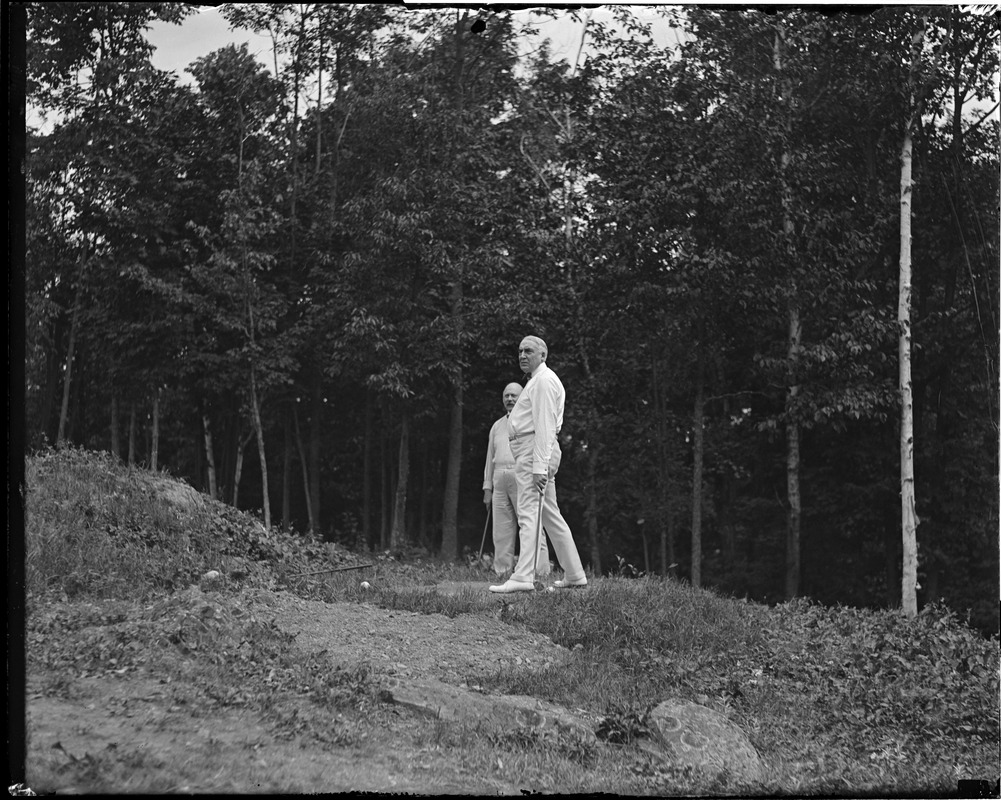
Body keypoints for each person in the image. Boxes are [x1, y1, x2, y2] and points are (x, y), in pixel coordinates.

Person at [490, 336, 587, 593]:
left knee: (528, 512)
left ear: (542, 355)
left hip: (533, 453)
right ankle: (575, 573)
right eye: (520, 350)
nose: (522, 355)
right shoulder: (538, 380)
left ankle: (523, 576)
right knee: (549, 514)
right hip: (533, 451)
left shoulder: (543, 381)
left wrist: (538, 468)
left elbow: (544, 426)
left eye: (529, 351)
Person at [482, 383, 550, 578]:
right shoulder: (497, 426)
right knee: (501, 528)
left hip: (522, 474)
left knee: (530, 522)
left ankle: (541, 570)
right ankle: (502, 571)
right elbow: (489, 458)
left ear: (522, 398)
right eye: (506, 396)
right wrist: (488, 487)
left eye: (514, 396)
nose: (510, 399)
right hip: (500, 477)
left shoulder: (530, 422)